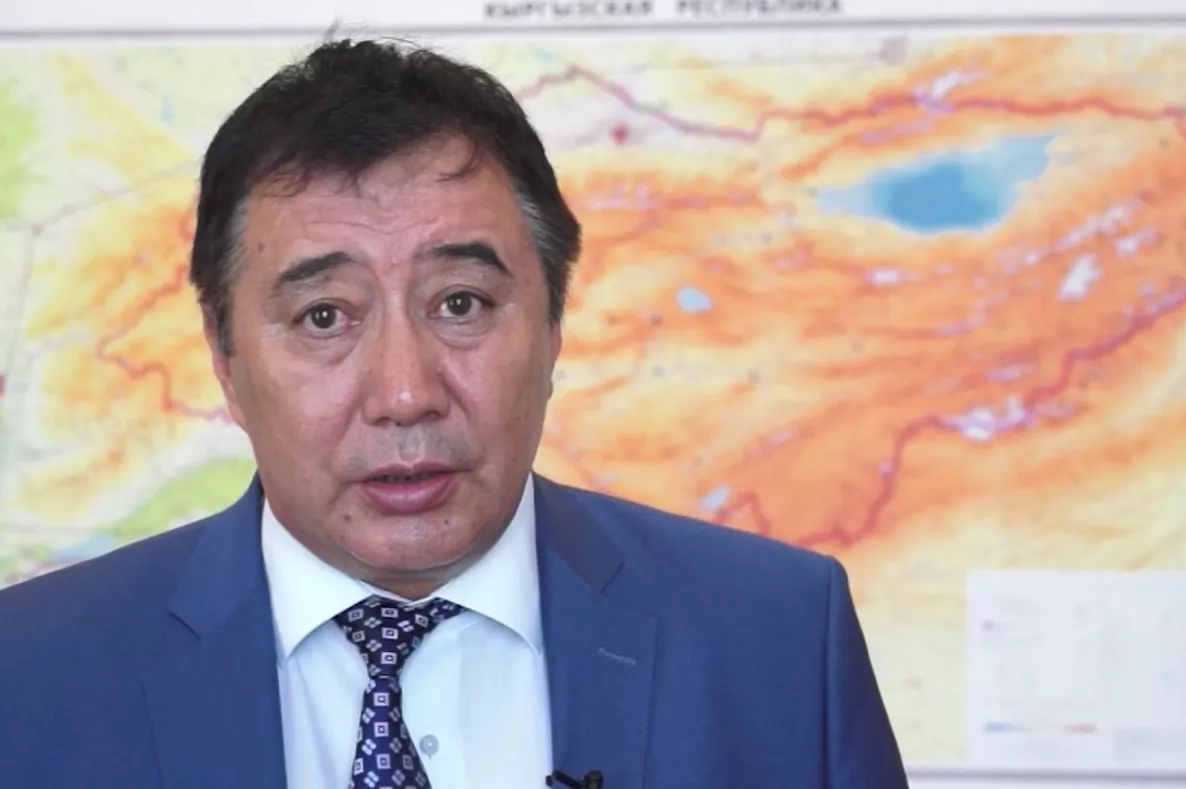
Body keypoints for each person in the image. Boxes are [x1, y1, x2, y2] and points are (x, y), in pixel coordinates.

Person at [0, 38, 907, 789]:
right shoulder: (31, 673)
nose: (406, 393)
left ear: (553, 325)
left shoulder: (779, 640)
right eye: (325, 317)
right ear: (225, 359)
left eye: (461, 303)